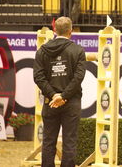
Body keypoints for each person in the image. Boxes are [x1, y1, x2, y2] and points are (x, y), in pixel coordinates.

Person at [33, 16, 86, 167]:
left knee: (48, 141)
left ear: (55, 30)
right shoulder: (78, 51)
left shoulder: (42, 51)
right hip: (71, 103)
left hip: (51, 103)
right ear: (71, 31)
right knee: (69, 142)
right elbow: (78, 78)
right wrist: (63, 96)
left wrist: (53, 95)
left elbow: (38, 77)